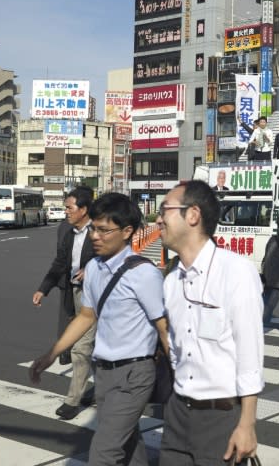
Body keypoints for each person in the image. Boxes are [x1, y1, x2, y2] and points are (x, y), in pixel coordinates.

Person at [30, 193, 168, 465]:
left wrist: (184, 377)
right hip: (103, 372)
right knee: (128, 443)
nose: (95, 235)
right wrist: (50, 355)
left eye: (104, 230)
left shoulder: (143, 274)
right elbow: (85, 316)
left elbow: (164, 328)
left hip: (134, 374)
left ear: (127, 231)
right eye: (94, 228)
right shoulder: (93, 267)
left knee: (104, 452)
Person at [156, 180, 263, 464]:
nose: (158, 218)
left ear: (192, 215)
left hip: (221, 418)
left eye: (164, 209)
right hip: (177, 413)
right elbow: (176, 348)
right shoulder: (171, 281)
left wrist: (247, 424)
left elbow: (249, 354)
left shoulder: (236, 272)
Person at [31, 186, 96, 420]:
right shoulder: (69, 233)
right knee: (91, 346)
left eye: (70, 207)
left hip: (96, 297)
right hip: (74, 293)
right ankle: (98, 389)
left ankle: (72, 401)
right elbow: (59, 262)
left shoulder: (100, 230)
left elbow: (112, 255)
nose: (66, 211)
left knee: (81, 347)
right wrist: (43, 289)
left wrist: (92, 269)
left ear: (84, 209)